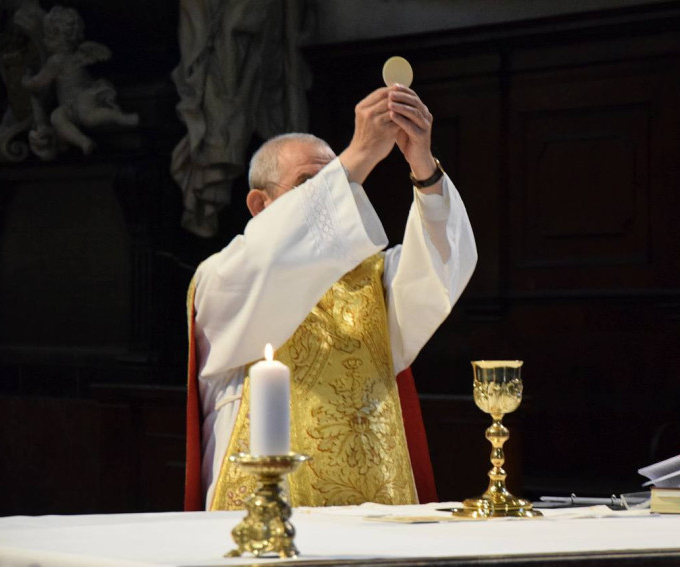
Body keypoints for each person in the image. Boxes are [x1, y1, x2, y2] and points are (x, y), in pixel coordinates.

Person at [186, 84, 477, 510]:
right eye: (309, 183)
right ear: (259, 205)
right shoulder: (225, 277)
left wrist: (424, 167)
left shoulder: (375, 282)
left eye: (336, 182)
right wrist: (358, 155)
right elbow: (270, 255)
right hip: (267, 512)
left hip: (373, 511)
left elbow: (443, 267)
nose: (335, 192)